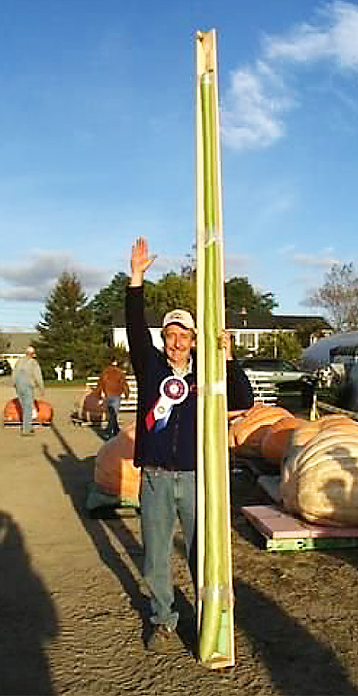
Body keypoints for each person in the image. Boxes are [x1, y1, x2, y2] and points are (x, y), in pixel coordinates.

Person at [126, 236, 254, 654]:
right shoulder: (150, 368)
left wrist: (230, 359)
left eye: (184, 335)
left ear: (195, 340)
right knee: (155, 558)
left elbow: (242, 401)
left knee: (204, 554)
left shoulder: (210, 374)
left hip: (199, 477)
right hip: (157, 479)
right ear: (162, 337)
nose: (177, 341)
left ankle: (207, 619)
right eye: (170, 333)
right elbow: (133, 327)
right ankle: (163, 619)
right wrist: (137, 278)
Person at [12, 346, 45, 436]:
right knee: (28, 408)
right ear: (32, 354)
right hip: (28, 386)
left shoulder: (19, 362)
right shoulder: (33, 363)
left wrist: (14, 384)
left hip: (18, 386)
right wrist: (41, 388)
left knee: (24, 407)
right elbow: (38, 376)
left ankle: (28, 426)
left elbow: (14, 374)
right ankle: (26, 430)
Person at [97, 355, 130, 439]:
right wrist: (127, 394)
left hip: (107, 395)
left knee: (112, 414)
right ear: (115, 363)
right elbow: (123, 384)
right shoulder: (119, 372)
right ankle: (108, 431)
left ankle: (116, 431)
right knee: (113, 415)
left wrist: (99, 394)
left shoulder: (105, 372)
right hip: (116, 395)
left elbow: (101, 383)